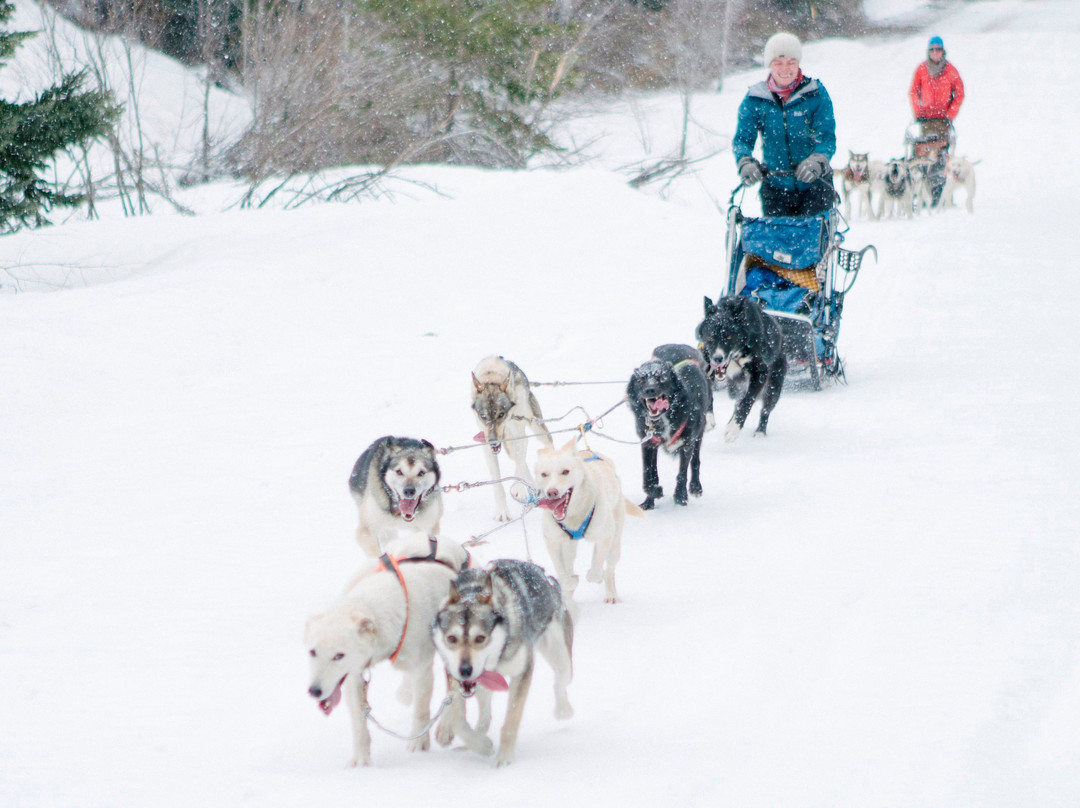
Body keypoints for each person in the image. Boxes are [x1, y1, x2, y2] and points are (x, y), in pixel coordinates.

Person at [733, 32, 836, 217]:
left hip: (815, 187)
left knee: (814, 243)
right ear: (769, 64)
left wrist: (817, 161)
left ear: (798, 63)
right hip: (776, 190)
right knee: (779, 244)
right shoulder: (755, 99)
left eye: (791, 62)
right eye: (778, 63)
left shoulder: (815, 94)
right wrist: (745, 162)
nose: (785, 68)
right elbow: (742, 139)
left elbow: (826, 137)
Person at [909, 36, 964, 203]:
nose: (935, 53)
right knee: (923, 153)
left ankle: (940, 192)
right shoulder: (921, 69)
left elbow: (959, 94)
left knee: (941, 154)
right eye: (932, 50)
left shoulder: (951, 71)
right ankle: (922, 191)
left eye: (938, 49)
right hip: (925, 120)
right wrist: (919, 111)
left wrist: (950, 115)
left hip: (942, 121)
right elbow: (913, 91)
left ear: (943, 51)